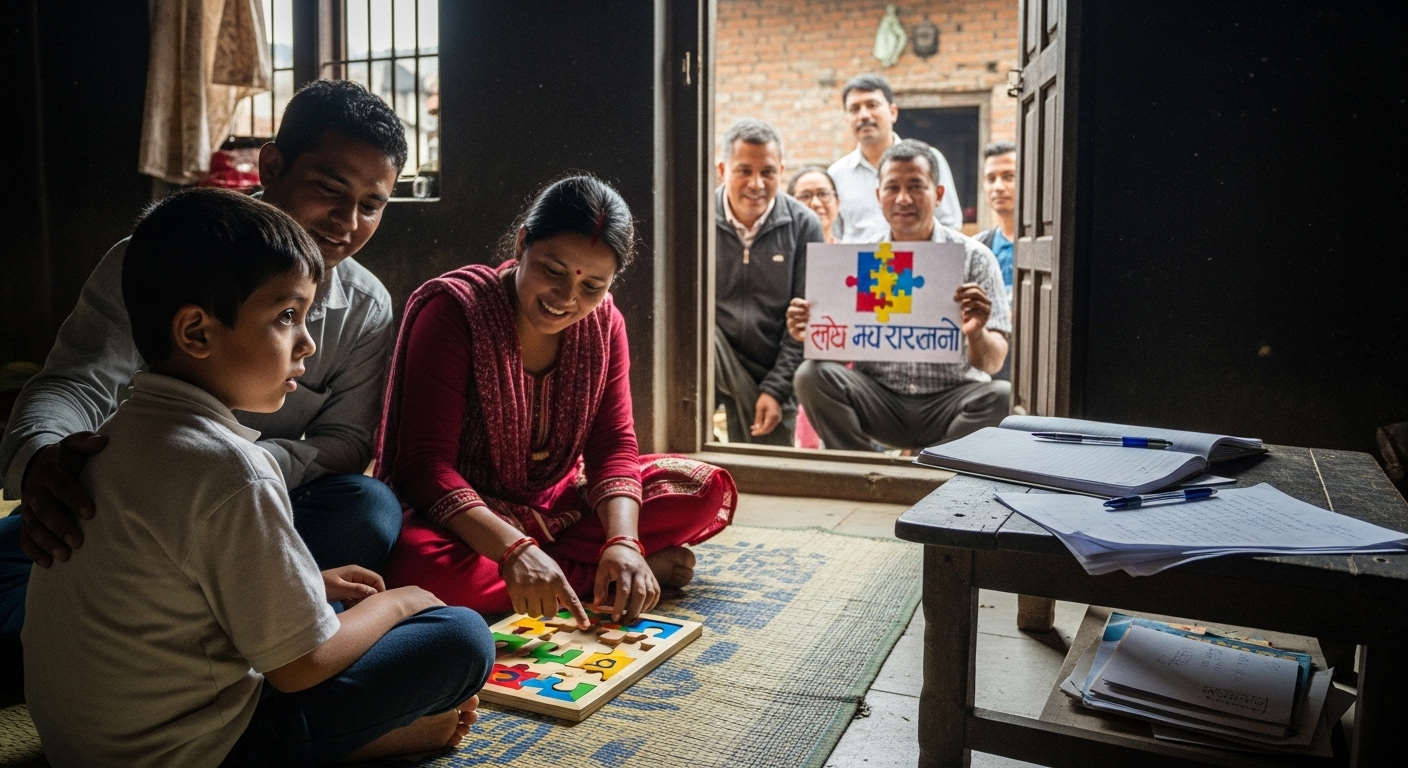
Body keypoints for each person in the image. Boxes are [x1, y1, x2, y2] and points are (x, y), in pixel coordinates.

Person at [23, 188, 494, 766]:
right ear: (196, 332)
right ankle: (385, 739)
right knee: (461, 636)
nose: (308, 342)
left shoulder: (112, 435)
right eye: (287, 317)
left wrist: (307, 586)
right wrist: (401, 603)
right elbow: (301, 668)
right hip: (189, 752)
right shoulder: (234, 470)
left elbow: (176, 583)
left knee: (339, 606)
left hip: (82, 745)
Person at [0, 80, 407, 689]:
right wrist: (42, 466)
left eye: (372, 205)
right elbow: (75, 384)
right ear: (272, 165)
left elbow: (347, 441)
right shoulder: (156, 260)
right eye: (328, 189)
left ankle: (249, 630)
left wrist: (238, 469)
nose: (347, 223)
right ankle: (219, 637)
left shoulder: (366, 306)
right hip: (129, 512)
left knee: (369, 507)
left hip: (263, 514)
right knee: (28, 583)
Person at [378, 175, 735, 625]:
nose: (567, 299)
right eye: (553, 271)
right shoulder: (456, 313)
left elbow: (614, 445)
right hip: (465, 518)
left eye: (592, 286)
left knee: (698, 489)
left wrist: (623, 542)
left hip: (556, 505)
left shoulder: (605, 326)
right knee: (417, 567)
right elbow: (425, 468)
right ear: (524, 241)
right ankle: (585, 580)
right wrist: (513, 550)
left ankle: (582, 570)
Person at [788, 139, 1011, 451]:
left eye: (916, 186)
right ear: (879, 196)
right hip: (880, 399)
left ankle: (934, 467)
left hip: (951, 400)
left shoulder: (975, 257)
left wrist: (976, 333)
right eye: (892, 187)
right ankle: (862, 470)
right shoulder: (861, 258)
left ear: (939, 194)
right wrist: (813, 332)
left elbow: (993, 362)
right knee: (811, 375)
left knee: (1002, 396)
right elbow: (845, 352)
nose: (903, 198)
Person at [714, 119, 824, 446]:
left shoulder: (804, 225)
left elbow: (805, 321)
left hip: (775, 365)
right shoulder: (696, 217)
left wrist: (776, 389)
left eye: (768, 172)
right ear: (723, 170)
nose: (756, 184)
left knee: (768, 471)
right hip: (712, 361)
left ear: (782, 171)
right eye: (744, 171)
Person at [829, 74, 963, 242]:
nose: (863, 115)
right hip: (861, 267)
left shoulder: (927, 161)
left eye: (872, 105)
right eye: (854, 109)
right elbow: (834, 236)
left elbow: (949, 223)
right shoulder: (836, 174)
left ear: (892, 112)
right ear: (847, 118)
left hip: (923, 265)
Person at [975, 141, 1017, 381]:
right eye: (991, 179)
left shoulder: (1046, 245)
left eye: (1008, 176)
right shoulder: (978, 247)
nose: (998, 187)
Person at [788, 166, 842, 244]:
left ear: (837, 202)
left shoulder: (851, 254)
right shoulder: (782, 255)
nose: (815, 203)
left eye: (823, 194)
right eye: (805, 196)